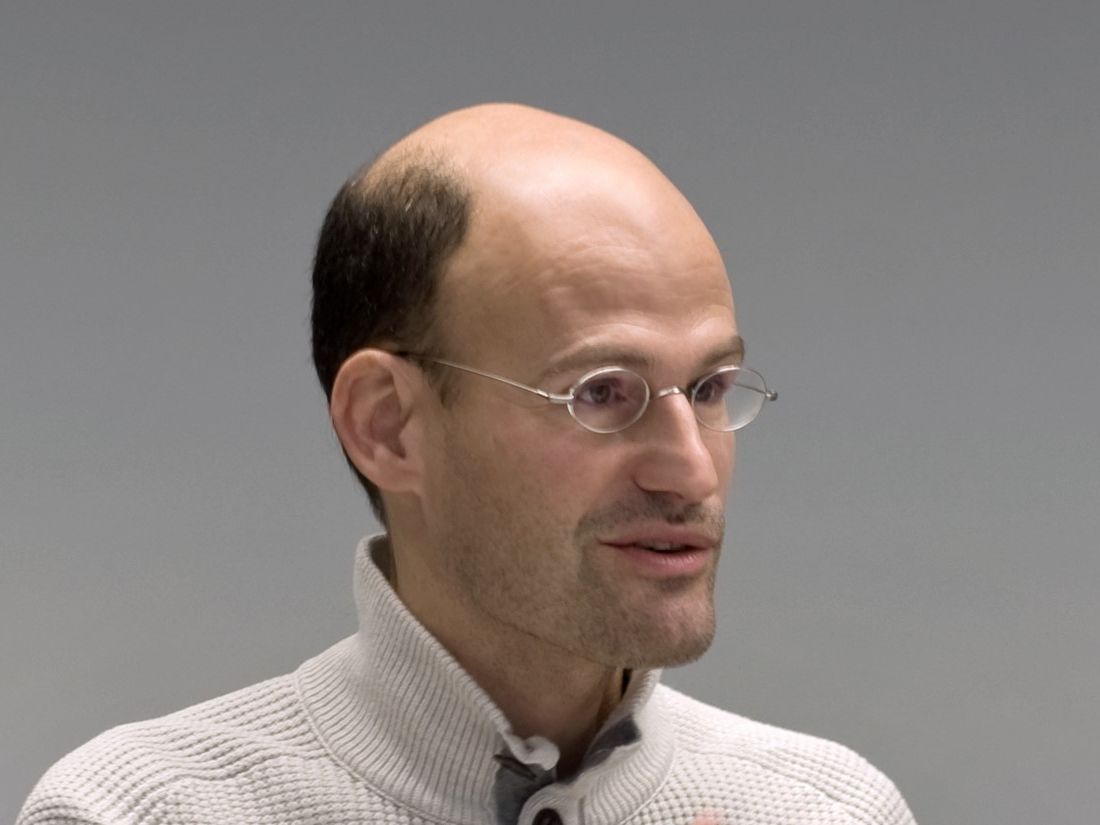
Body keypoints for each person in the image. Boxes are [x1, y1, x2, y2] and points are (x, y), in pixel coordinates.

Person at [18, 103, 917, 825]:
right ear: (388, 426)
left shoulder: (827, 810)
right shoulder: (134, 812)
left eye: (711, 387)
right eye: (603, 392)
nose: (693, 471)